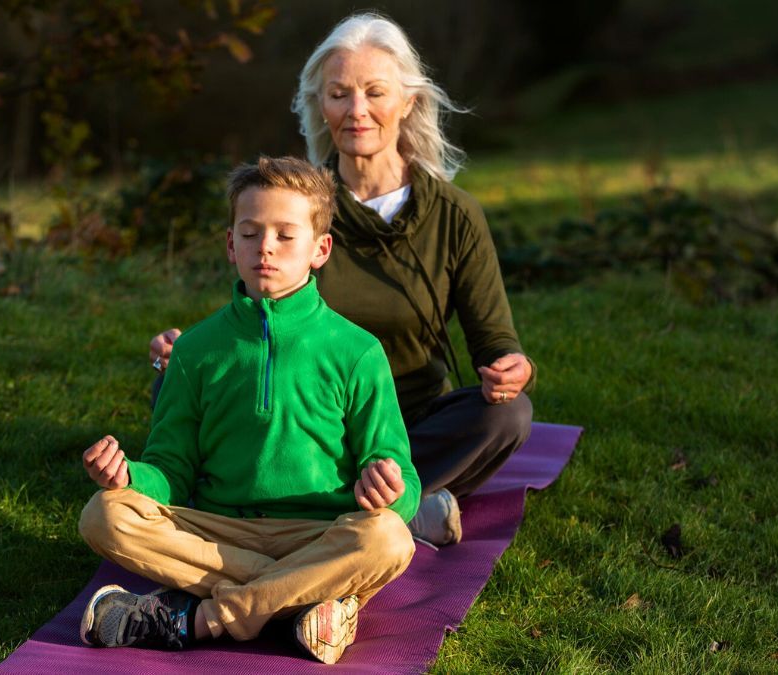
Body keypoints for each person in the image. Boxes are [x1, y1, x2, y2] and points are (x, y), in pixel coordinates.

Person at [149, 14, 533, 546]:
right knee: (174, 379)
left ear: (408, 102)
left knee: (508, 416)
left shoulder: (456, 215)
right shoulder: (300, 209)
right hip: (310, 420)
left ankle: (391, 497)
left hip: (414, 420)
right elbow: (262, 313)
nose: (356, 111)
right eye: (339, 94)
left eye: (375, 92)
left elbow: (496, 343)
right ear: (320, 106)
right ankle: (378, 511)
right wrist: (188, 349)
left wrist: (513, 369)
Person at [77, 156, 420, 665]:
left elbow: (404, 484)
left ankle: (195, 619)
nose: (266, 247)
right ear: (229, 245)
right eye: (251, 232)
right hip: (219, 533)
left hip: (320, 533)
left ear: (320, 249)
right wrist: (129, 477)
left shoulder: (358, 351)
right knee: (104, 514)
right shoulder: (195, 350)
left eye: (285, 234)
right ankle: (304, 601)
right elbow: (172, 469)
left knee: (390, 537)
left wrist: (389, 487)